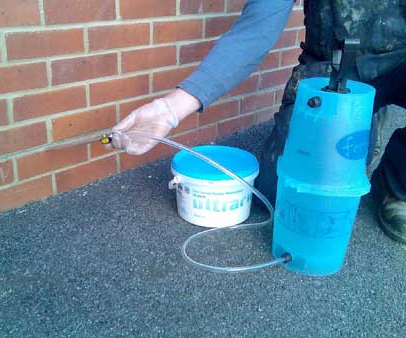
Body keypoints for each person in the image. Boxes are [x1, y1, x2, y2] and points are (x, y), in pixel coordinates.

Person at [110, 0, 406, 244]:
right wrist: (169, 109)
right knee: (284, 193)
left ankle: (397, 182)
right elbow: (253, 33)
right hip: (331, 73)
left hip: (401, 66)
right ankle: (365, 119)